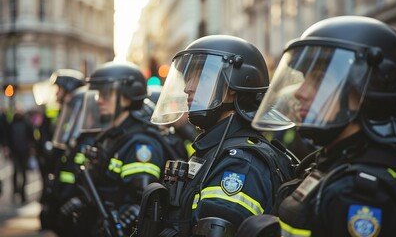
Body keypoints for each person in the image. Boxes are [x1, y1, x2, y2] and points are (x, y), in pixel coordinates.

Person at [250, 15, 396, 236]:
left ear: (363, 92)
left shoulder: (359, 196)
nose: (299, 92)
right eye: (305, 79)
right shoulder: (334, 163)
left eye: (319, 79)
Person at [137, 35, 296, 237]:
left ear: (233, 88)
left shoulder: (239, 164)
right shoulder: (214, 149)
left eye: (201, 77)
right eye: (188, 78)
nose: (188, 87)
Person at [59, 61, 187, 236]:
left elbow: (141, 201)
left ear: (128, 96)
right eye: (98, 94)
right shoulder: (112, 136)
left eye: (106, 94)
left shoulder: (140, 144)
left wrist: (123, 218)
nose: (99, 100)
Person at [39, 69, 85, 231]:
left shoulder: (82, 113)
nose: (57, 94)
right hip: (57, 169)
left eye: (60, 89)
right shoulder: (57, 110)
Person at [3, 107, 35, 204]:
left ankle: (23, 194)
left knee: (24, 173)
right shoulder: (11, 124)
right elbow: (6, 136)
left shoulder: (26, 123)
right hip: (15, 152)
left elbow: (31, 137)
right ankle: (15, 192)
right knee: (16, 172)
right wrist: (7, 147)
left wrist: (31, 147)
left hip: (24, 151)